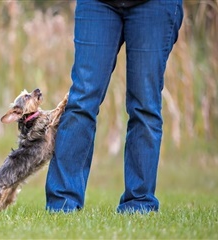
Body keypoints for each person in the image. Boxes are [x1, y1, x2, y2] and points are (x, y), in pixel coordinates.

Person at [45, 0, 184, 213]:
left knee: (145, 104)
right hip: (98, 4)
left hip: (154, 5)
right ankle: (62, 204)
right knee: (82, 100)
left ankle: (139, 205)